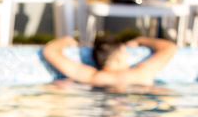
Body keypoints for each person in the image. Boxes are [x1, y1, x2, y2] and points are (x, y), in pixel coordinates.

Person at [42, 34, 176, 87]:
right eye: (125, 52)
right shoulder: (140, 74)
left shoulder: (91, 76)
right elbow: (169, 47)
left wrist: (66, 40)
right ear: (118, 57)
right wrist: (141, 39)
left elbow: (50, 51)